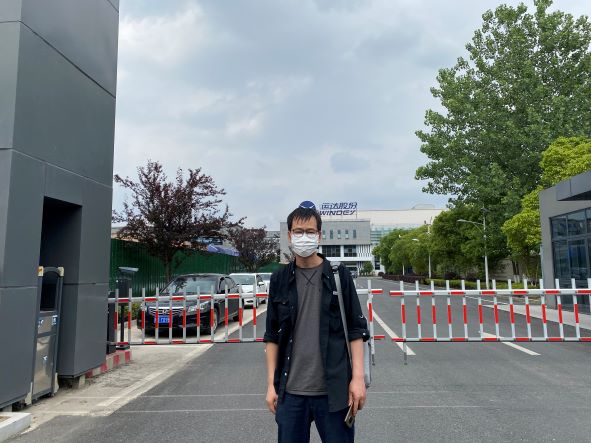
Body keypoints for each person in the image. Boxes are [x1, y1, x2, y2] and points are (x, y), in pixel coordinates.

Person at [264, 204, 369, 443]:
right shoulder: (279, 278)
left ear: (319, 235)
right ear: (289, 235)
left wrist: (358, 379)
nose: (304, 237)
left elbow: (355, 330)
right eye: (298, 231)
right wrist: (271, 384)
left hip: (334, 392)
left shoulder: (339, 274)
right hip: (290, 393)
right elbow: (272, 336)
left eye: (310, 232)